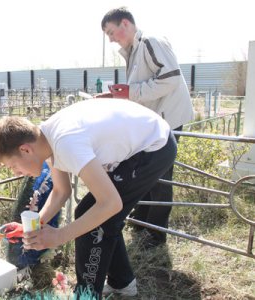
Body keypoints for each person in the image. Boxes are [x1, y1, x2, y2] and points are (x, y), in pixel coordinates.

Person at [0, 99, 177, 297]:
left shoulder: (66, 143)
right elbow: (61, 191)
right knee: (96, 217)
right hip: (144, 139)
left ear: (25, 149)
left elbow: (111, 203)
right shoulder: (46, 139)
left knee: (95, 219)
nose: (17, 173)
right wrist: (36, 224)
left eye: (13, 166)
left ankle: (86, 294)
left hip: (154, 147)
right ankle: (122, 284)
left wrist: (59, 236)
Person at [99, 7, 194, 247]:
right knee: (145, 172)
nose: (110, 39)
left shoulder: (151, 42)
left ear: (125, 24)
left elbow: (171, 78)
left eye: (111, 32)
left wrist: (131, 92)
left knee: (161, 177)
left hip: (168, 119)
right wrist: (118, 96)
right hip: (154, 122)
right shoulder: (134, 50)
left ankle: (156, 233)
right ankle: (142, 221)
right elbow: (141, 89)